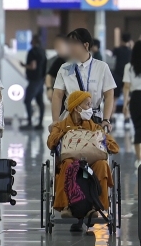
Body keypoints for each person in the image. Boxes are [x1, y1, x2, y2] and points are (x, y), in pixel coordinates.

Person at [47, 90, 120, 231]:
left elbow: (115, 147)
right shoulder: (61, 126)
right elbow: (51, 143)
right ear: (76, 107)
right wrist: (62, 134)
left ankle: (95, 207)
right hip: (70, 163)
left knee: (102, 164)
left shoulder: (94, 126)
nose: (90, 108)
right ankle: (67, 206)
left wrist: (104, 140)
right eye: (87, 105)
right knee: (68, 163)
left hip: (90, 165)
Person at [51, 28, 117, 131]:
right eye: (69, 44)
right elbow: (57, 95)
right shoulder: (64, 68)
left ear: (86, 45)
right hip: (70, 120)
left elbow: (109, 95)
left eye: (74, 43)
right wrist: (55, 121)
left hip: (94, 120)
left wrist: (106, 119)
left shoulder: (101, 67)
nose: (70, 47)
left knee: (94, 147)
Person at [24, 35, 47, 130]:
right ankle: (40, 123)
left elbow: (33, 66)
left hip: (34, 80)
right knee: (40, 101)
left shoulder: (32, 52)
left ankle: (29, 123)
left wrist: (24, 65)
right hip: (41, 80)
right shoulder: (43, 51)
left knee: (27, 100)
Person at [45, 34, 69, 101]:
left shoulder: (77, 59)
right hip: (60, 96)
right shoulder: (59, 60)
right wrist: (49, 89)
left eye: (59, 46)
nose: (56, 49)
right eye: (56, 46)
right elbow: (49, 75)